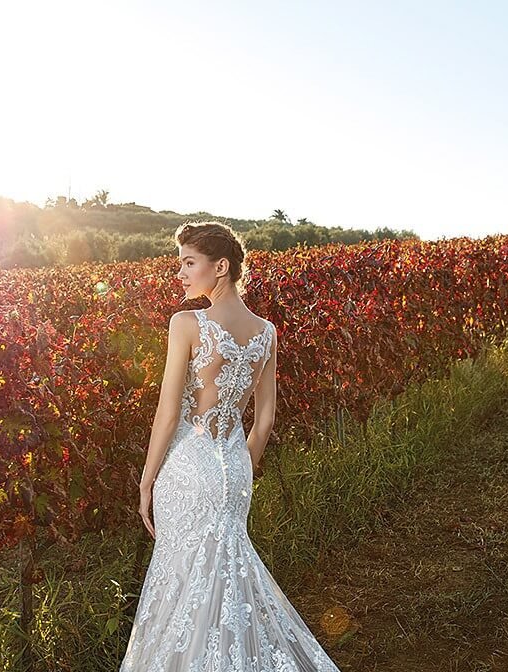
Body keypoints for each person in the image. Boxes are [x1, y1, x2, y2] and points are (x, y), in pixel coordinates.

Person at [119, 221, 342, 671]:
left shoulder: (186, 324)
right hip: (234, 469)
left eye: (188, 263)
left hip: (188, 467)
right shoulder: (266, 332)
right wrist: (241, 467)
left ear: (220, 267)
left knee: (183, 584)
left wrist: (146, 482)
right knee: (227, 582)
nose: (179, 273)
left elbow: (166, 416)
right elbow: (265, 420)